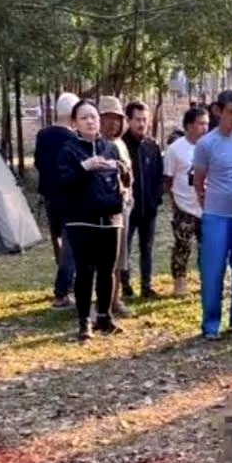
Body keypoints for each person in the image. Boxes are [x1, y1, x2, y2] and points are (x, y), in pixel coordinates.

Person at [56, 100, 132, 340]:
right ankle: (83, 321)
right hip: (82, 218)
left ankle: (105, 316)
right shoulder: (68, 149)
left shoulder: (110, 147)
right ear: (74, 123)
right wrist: (84, 167)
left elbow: (127, 180)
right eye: (84, 118)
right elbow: (64, 182)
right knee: (85, 270)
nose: (91, 122)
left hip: (111, 216)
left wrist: (120, 168)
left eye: (94, 117)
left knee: (108, 270)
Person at [193, 90, 232, 339]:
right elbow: (199, 180)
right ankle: (211, 323)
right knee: (213, 270)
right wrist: (205, 201)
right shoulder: (206, 143)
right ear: (218, 111)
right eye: (231, 112)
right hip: (216, 215)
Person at [34, 91, 79, 309]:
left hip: (50, 196)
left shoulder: (43, 135)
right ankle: (62, 290)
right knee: (71, 244)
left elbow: (37, 163)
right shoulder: (73, 139)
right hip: (70, 198)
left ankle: (65, 278)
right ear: (73, 115)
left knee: (57, 239)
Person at [163, 106, 209, 298]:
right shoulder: (175, 149)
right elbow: (168, 179)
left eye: (207, 123)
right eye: (200, 123)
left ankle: (209, 280)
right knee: (183, 246)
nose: (205, 128)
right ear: (189, 126)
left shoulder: (210, 146)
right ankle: (180, 282)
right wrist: (175, 202)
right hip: (184, 206)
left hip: (208, 207)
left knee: (208, 246)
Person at [123, 101, 165, 299]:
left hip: (148, 209)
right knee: (125, 249)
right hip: (127, 209)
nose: (141, 124)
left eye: (144, 120)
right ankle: (124, 285)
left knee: (147, 249)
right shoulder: (121, 145)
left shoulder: (152, 146)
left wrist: (156, 199)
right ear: (128, 120)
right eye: (137, 120)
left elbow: (159, 176)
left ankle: (146, 285)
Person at [99, 96, 134, 317]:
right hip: (101, 209)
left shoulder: (120, 144)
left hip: (123, 206)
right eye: (108, 119)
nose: (113, 124)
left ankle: (115, 299)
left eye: (117, 119)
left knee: (120, 257)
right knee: (103, 260)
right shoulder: (96, 144)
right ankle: (101, 302)